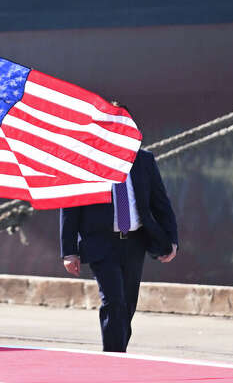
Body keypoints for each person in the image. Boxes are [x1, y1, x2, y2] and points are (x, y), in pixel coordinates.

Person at [60, 140, 178, 353]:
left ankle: (118, 354)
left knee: (127, 304)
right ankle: (114, 360)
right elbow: (71, 206)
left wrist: (171, 240)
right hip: (101, 243)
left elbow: (160, 202)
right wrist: (69, 251)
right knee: (113, 301)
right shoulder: (84, 160)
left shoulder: (143, 159)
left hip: (134, 242)